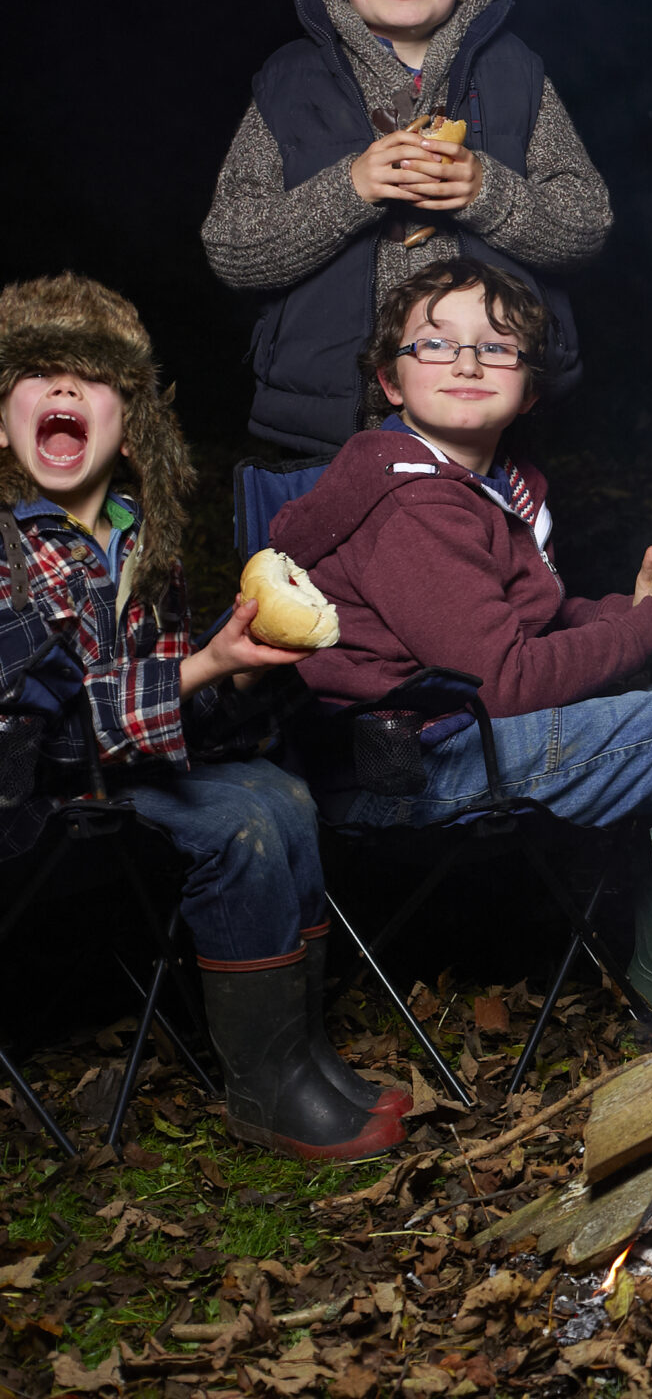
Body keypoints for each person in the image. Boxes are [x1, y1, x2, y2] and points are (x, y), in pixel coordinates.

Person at [266, 261, 652, 1030]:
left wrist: (642, 612)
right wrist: (651, 625)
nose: (469, 361)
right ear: (391, 381)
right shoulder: (411, 500)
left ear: (529, 388)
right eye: (436, 345)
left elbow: (524, 619)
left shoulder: (491, 485)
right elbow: (501, 680)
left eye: (497, 347)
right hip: (405, 760)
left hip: (453, 732)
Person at [0, 275, 403, 1160]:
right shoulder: (9, 551)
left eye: (93, 379)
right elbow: (45, 731)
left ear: (132, 427)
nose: (66, 391)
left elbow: (174, 708)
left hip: (119, 770)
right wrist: (200, 667)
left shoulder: (143, 538)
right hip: (32, 792)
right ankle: (265, 1094)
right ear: (1, 421)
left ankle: (298, 1056)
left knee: (279, 792)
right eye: (38, 374)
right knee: (235, 823)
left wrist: (238, 671)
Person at [202, 0, 610, 455]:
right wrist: (351, 190)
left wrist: (485, 193)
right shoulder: (291, 83)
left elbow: (585, 227)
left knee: (487, 552)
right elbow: (233, 249)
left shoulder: (514, 73)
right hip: (335, 430)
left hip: (491, 428)